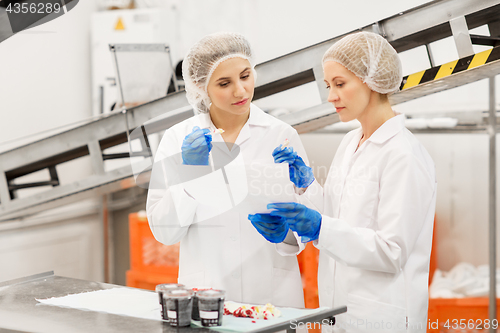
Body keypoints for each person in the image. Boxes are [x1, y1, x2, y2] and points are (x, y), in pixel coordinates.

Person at [251, 32, 437, 332]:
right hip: (339, 314)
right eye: (328, 86)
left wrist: (318, 227)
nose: (330, 96)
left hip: (381, 319)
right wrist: (306, 191)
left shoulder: (404, 155)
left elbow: (391, 251)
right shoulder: (351, 141)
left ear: (372, 80)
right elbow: (340, 217)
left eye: (340, 84)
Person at [146, 32, 317, 308]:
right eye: (224, 83)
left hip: (272, 295)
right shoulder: (178, 140)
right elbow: (164, 231)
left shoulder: (280, 134)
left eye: (245, 76)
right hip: (207, 294)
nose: (240, 91)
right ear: (202, 88)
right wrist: (190, 172)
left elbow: (312, 221)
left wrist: (287, 230)